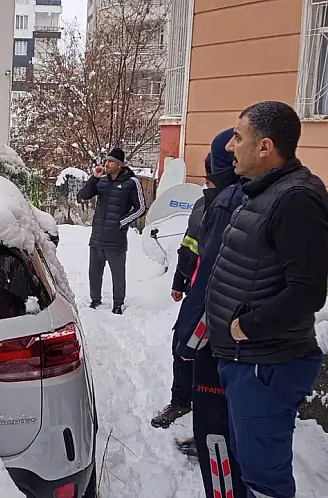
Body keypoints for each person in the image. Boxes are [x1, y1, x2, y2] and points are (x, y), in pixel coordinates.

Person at [208, 101, 328, 498]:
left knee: (264, 475)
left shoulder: (296, 200)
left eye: (238, 137)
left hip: (267, 363)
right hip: (247, 360)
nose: (230, 146)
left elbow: (307, 291)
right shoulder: (264, 190)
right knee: (249, 460)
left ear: (265, 147)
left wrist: (247, 325)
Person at [168, 128, 247, 498]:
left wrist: (187, 338)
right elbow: (191, 249)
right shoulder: (249, 198)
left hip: (217, 333)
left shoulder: (223, 205)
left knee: (216, 427)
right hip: (240, 336)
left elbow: (212, 276)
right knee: (231, 423)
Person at [149, 154, 210, 430]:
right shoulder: (203, 205)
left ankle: (198, 409)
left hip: (214, 299)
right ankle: (184, 401)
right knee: (184, 347)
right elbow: (188, 247)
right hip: (197, 293)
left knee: (191, 349)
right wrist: (178, 281)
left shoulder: (231, 205)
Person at [77, 147, 145, 315]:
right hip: (97, 236)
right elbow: (83, 195)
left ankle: (118, 303)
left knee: (118, 274)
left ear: (120, 165)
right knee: (94, 272)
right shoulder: (102, 181)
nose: (107, 164)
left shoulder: (132, 182)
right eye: (107, 161)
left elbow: (141, 208)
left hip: (116, 239)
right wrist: (94, 178)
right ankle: (95, 300)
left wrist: (122, 222)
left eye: (111, 161)